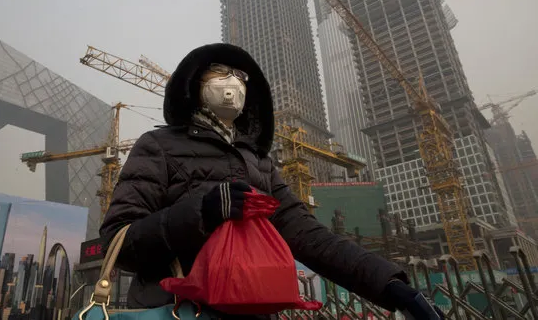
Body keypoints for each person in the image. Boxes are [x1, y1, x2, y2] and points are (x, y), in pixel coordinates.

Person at [100, 43, 444, 319]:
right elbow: (117, 243)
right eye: (219, 73)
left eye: (239, 76)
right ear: (194, 83)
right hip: (178, 309)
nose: (232, 82)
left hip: (253, 310)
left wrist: (391, 285)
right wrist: (200, 213)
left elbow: (309, 235)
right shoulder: (158, 145)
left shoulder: (258, 161)